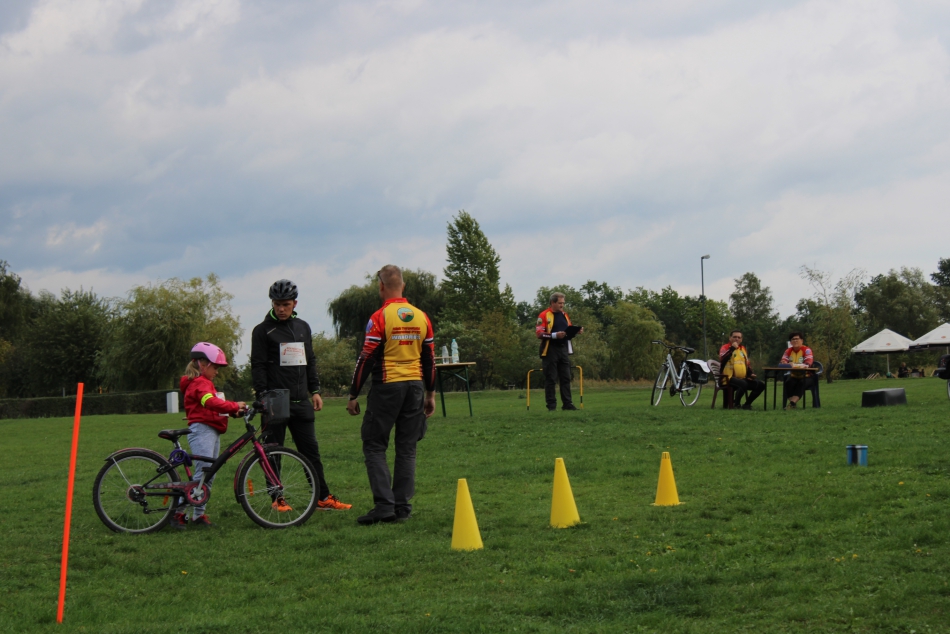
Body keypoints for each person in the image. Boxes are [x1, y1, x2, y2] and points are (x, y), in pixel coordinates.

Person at [346, 265, 436, 525]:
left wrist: (353, 394)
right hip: (415, 387)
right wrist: (430, 394)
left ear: (381, 286)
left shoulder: (379, 317)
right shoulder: (422, 317)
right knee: (407, 448)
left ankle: (384, 506)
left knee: (374, 445)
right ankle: (402, 508)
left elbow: (366, 357)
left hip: (387, 386)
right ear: (403, 286)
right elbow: (429, 359)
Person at [250, 279, 351, 511]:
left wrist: (315, 390)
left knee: (311, 453)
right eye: (277, 304)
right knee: (273, 453)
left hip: (300, 400)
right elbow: (258, 366)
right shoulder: (262, 331)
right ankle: (277, 499)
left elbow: (310, 361)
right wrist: (263, 395)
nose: (281, 309)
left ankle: (322, 497)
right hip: (275, 399)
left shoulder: (303, 327)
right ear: (272, 303)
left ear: (294, 303)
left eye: (285, 304)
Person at [174, 342, 247, 529]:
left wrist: (233, 412)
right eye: (215, 367)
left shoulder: (204, 383)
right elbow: (210, 402)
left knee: (208, 474)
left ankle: (198, 516)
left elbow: (213, 408)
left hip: (210, 430)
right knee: (203, 473)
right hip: (203, 431)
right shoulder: (200, 383)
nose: (217, 371)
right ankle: (178, 513)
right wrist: (234, 405)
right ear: (202, 364)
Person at [536, 292, 583, 411]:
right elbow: (539, 334)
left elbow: (568, 330)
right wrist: (554, 335)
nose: (562, 305)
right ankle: (551, 406)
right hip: (550, 349)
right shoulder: (544, 315)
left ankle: (567, 404)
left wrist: (576, 331)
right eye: (560, 303)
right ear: (553, 302)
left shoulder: (564, 315)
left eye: (563, 303)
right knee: (551, 378)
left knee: (566, 377)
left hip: (563, 348)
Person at [719, 330, 765, 409]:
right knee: (743, 384)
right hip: (728, 378)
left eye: (739, 337)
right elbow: (722, 359)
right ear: (730, 338)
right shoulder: (725, 347)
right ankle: (736, 404)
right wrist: (732, 348)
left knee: (761, 385)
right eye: (734, 337)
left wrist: (750, 374)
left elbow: (747, 364)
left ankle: (747, 404)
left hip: (742, 378)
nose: (737, 339)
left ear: (741, 339)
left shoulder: (742, 349)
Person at [781, 332, 814, 409]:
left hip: (807, 376)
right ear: (790, 342)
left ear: (802, 340)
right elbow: (783, 361)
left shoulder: (807, 350)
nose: (795, 341)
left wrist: (794, 365)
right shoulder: (788, 351)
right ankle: (792, 404)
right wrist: (784, 362)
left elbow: (808, 363)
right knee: (788, 383)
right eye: (793, 339)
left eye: (797, 339)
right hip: (794, 376)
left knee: (801, 383)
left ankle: (792, 403)